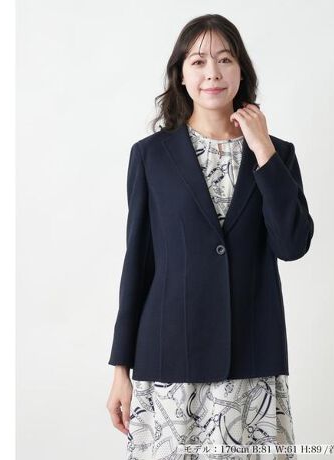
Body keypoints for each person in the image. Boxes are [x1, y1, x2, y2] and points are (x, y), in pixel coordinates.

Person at [106, 13, 314, 460]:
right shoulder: (151, 156)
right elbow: (137, 263)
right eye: (198, 61)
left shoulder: (277, 155)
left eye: (225, 59)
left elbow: (292, 245)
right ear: (181, 74)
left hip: (251, 361)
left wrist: (262, 149)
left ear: (241, 70)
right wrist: (121, 368)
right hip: (169, 359)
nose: (212, 73)